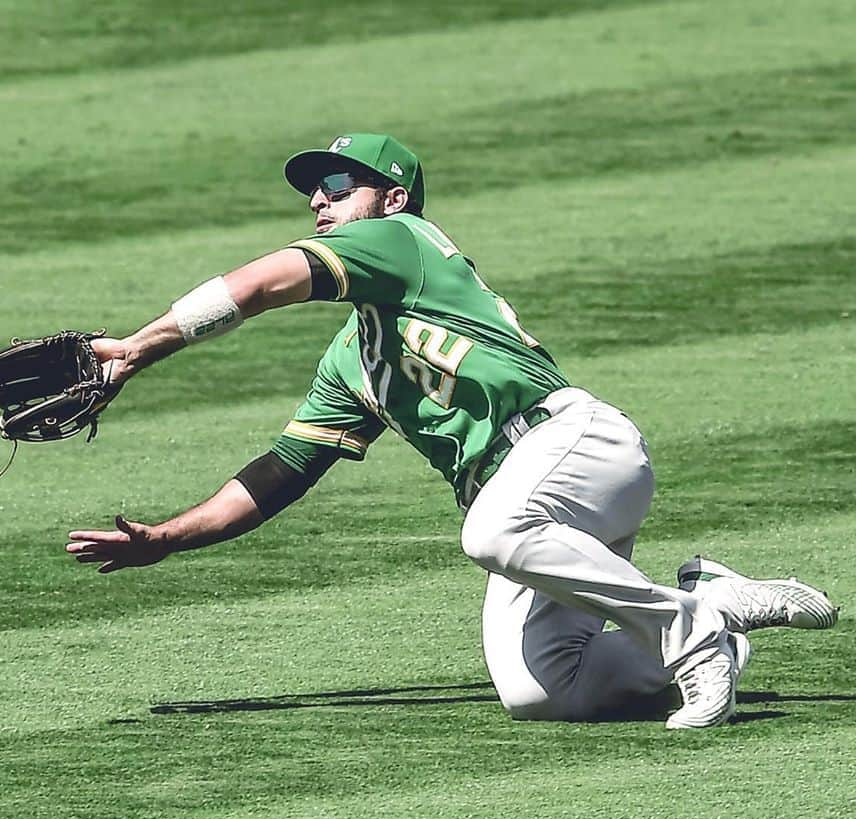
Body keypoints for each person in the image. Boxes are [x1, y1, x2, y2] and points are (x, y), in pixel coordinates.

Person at [66, 133, 838, 728]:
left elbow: (261, 284)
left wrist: (140, 346)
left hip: (575, 446)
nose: (319, 201)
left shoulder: (403, 241)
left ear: (392, 197)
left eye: (338, 185)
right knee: (542, 690)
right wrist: (167, 538)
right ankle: (715, 607)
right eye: (312, 191)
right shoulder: (355, 361)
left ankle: (687, 626)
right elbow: (280, 472)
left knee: (489, 531)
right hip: (535, 500)